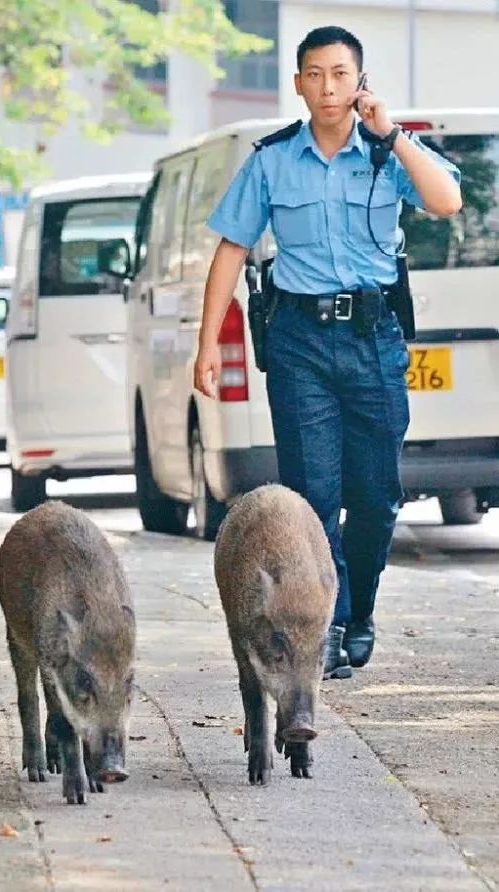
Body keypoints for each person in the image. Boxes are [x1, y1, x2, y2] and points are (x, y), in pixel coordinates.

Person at [194, 26, 461, 679]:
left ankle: (361, 609)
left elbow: (446, 200)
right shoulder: (272, 160)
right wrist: (206, 344)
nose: (328, 87)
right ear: (298, 84)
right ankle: (330, 624)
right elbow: (231, 246)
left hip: (373, 337)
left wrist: (391, 132)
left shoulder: (388, 152)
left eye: (341, 74)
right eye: (315, 74)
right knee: (313, 496)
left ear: (359, 81)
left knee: (376, 498)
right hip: (299, 339)